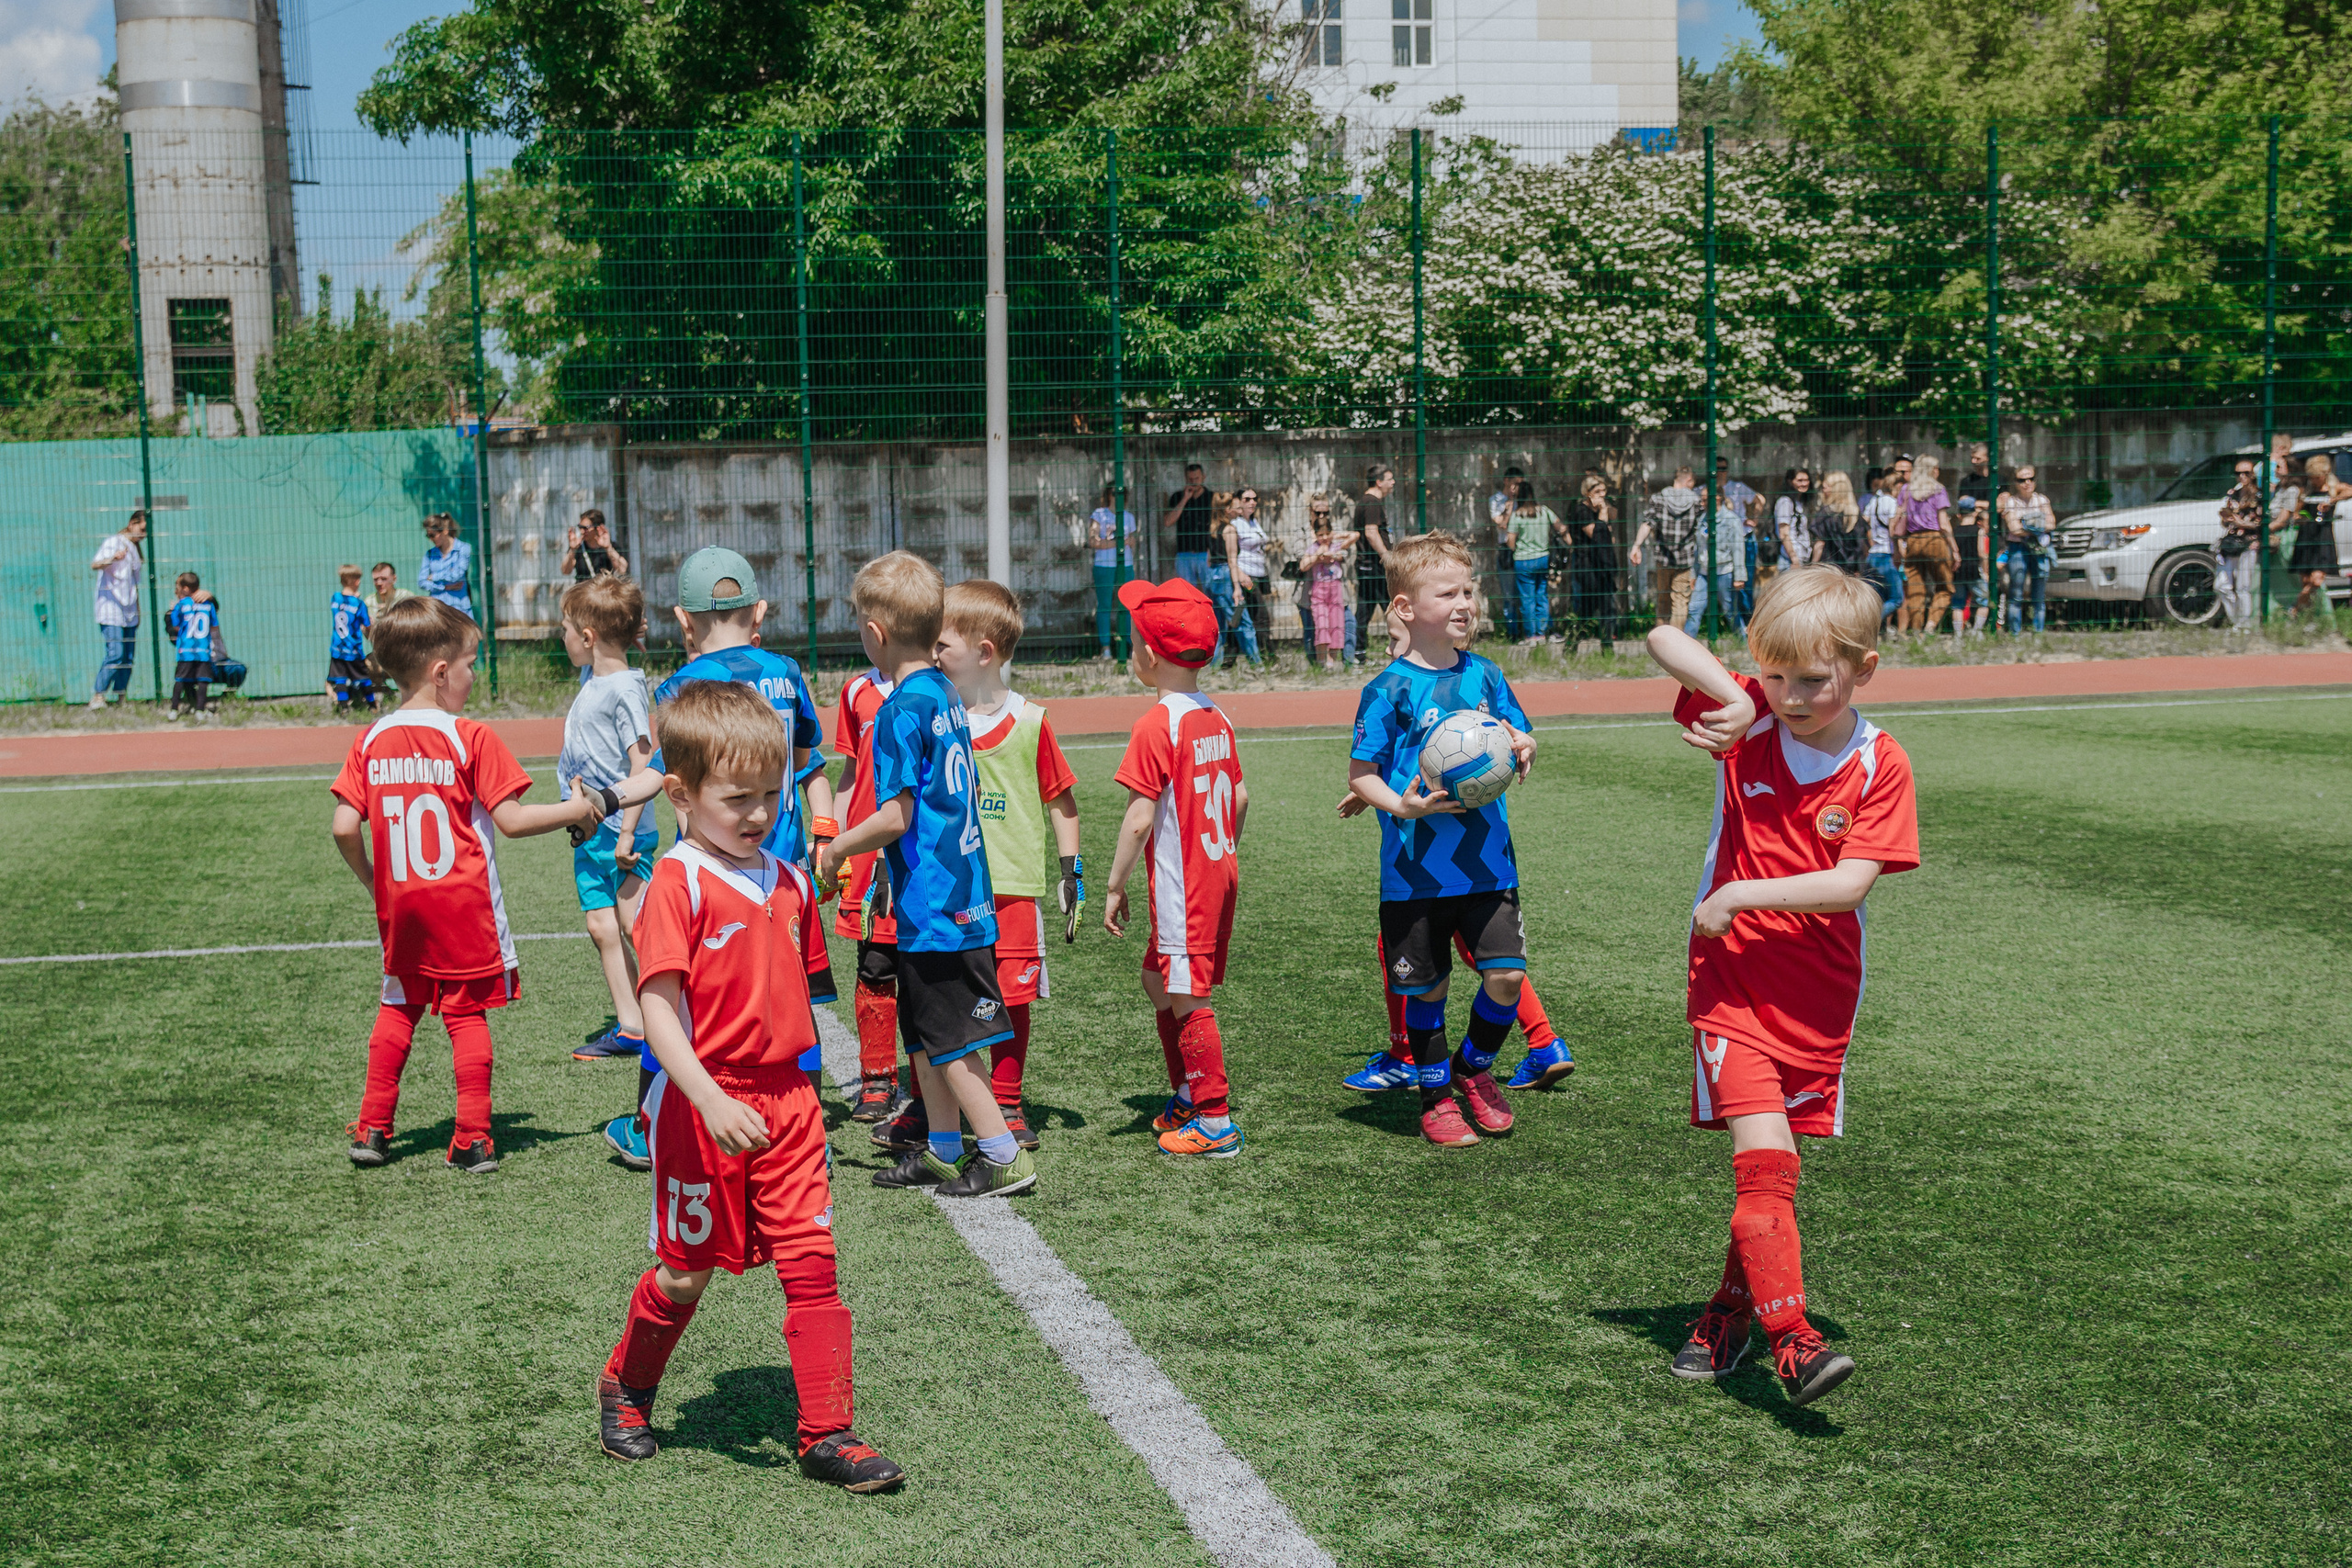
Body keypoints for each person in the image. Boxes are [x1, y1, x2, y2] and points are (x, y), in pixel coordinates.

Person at [595, 680, 902, 1494]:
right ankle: (626, 1383)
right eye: (738, 798)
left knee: (813, 1263)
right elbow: (658, 1013)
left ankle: (827, 1433)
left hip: (790, 1106)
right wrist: (707, 1096)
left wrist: (809, 1103)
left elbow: (796, 997)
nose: (760, 812)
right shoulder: (680, 881)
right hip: (704, 1104)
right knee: (685, 1274)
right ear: (681, 795)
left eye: (771, 793)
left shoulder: (790, 880)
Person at [1645, 567, 1920, 1409]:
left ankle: (1727, 1311)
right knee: (1763, 1169)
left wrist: (1739, 892)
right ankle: (1795, 1342)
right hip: (1730, 981)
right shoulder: (1753, 718)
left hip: (1819, 995)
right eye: (1774, 675)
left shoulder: (1880, 762)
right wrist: (1731, 695)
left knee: (1776, 1170)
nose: (1791, 697)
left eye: (1812, 680)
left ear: (1864, 670)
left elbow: (1849, 885)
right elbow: (1661, 638)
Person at [333, 596, 598, 1174]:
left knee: (397, 1007)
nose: (474, 676)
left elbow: (343, 826)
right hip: (463, 905)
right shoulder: (469, 736)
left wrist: (376, 883)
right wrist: (576, 809)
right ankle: (473, 1139)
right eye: (470, 664)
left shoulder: (370, 739)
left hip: (403, 907)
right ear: (440, 672)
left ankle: (373, 1128)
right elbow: (513, 821)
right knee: (465, 1015)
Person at [590, 549, 837, 1166]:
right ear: (759, 612)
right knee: (793, 1000)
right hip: (783, 874)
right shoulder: (786, 671)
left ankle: (651, 1125)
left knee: (676, 1000)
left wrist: (606, 800)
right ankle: (807, 1128)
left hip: (711, 874)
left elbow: (660, 775)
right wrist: (824, 833)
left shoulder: (681, 686)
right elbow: (809, 764)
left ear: (683, 619)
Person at [817, 552, 1036, 1198]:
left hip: (940, 906)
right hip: (947, 895)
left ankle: (1002, 1153)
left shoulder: (898, 709)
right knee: (923, 1035)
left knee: (953, 1040)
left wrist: (837, 848)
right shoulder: (942, 689)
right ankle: (943, 1149)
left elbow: (897, 815)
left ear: (876, 633)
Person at [1344, 533, 1537, 1147]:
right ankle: (1435, 1099)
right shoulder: (1388, 689)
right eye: (1448, 593)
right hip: (1415, 869)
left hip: (1488, 863)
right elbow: (1361, 774)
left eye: (1468, 591)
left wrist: (1524, 745)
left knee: (1506, 977)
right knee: (1427, 989)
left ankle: (1473, 1068)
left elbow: (1519, 731)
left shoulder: (1486, 675)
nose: (1465, 603)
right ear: (1404, 607)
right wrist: (1402, 804)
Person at [1101, 577, 1250, 1158]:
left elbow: (1139, 819)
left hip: (1185, 888)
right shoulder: (1217, 715)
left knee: (1187, 996)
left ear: (1150, 654)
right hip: (1216, 874)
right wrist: (1222, 852)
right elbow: (1240, 799)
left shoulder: (1156, 723)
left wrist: (1114, 885)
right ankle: (1189, 1090)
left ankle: (1214, 1119)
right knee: (1156, 979)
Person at [935, 580, 1083, 1152]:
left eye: (942, 643)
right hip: (952, 889)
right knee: (950, 994)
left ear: (984, 652)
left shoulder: (1031, 720)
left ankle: (1008, 1098)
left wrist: (1071, 873)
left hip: (1014, 889)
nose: (932, 653)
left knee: (1013, 999)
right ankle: (939, 1100)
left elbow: (1060, 800)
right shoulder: (936, 714)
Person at [556, 574, 660, 1165]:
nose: (564, 638)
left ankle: (672, 1012)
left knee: (634, 925)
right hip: (587, 830)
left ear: (590, 636)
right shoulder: (593, 678)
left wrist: (625, 831)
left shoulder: (624, 688)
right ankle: (631, 1024)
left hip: (623, 833)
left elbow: (642, 764)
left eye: (568, 630)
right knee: (602, 927)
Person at [832, 655, 909, 1128]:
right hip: (867, 861)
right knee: (876, 965)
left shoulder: (939, 688)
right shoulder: (856, 691)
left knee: (925, 974)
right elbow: (850, 773)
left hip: (922, 862)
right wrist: (834, 837)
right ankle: (877, 1078)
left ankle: (933, 1084)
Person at [1628, 465, 1702, 629]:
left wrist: (1637, 545)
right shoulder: (1696, 501)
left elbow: (1648, 523)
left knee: (1663, 600)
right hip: (1685, 560)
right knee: (1680, 602)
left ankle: (1660, 639)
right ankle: (1676, 639)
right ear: (1689, 480)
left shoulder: (1659, 498)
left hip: (1663, 558)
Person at [88, 510, 147, 710]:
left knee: (128, 657)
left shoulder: (134, 550)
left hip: (129, 611)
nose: (143, 534)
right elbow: (95, 564)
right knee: (116, 653)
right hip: (111, 608)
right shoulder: (113, 542)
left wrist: (137, 610)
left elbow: (134, 585)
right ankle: (98, 695)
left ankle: (121, 697)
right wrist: (113, 558)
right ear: (132, 524)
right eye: (142, 529)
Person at [2279, 453, 2346, 619]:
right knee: (2306, 582)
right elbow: (2296, 513)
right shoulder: (2306, 491)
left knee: (2317, 580)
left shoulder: (2333, 489)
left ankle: (2294, 609)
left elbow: (2349, 491)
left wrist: (2332, 500)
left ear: (2325, 474)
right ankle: (2309, 618)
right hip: (2306, 537)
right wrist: (2300, 517)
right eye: (2312, 477)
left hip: (2323, 538)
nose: (2314, 480)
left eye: (2317, 477)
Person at [1896, 457, 1955, 632]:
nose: (1938, 471)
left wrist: (1899, 543)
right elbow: (1944, 524)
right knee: (1945, 586)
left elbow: (1898, 517)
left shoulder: (1906, 489)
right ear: (1930, 470)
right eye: (1936, 468)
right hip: (1934, 539)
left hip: (1913, 541)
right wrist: (1955, 549)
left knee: (1916, 588)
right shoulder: (1938, 489)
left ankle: (1916, 629)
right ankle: (1931, 625)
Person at [1997, 465, 2057, 634]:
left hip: (2039, 549)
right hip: (2018, 548)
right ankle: (2015, 633)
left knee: (2039, 594)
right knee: (2016, 592)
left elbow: (2052, 524)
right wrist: (2038, 525)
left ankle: (2038, 632)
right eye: (2022, 480)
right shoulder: (2011, 502)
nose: (2027, 483)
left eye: (2031, 479)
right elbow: (2013, 529)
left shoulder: (2042, 500)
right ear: (2015, 483)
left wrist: (2025, 524)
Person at [1683, 485, 1748, 638]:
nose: (1702, 503)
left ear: (1717, 498)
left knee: (1729, 610)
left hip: (1724, 572)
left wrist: (1739, 576)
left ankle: (1744, 644)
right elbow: (1698, 549)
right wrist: (1694, 573)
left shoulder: (1731, 520)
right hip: (1704, 573)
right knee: (1694, 609)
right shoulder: (1702, 519)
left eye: (1705, 500)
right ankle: (1686, 645)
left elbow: (1738, 549)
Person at [1220, 485, 1273, 669]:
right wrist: (1241, 574)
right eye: (1247, 499)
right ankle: (1268, 657)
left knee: (1244, 616)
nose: (1252, 502)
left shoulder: (1253, 522)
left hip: (1260, 574)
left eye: (1254, 499)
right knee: (1260, 616)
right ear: (1238, 502)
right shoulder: (1236, 525)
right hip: (1247, 576)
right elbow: (1231, 555)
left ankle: (1229, 660)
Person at [1564, 474, 1619, 649]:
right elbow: (1597, 536)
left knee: (1608, 609)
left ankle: (1607, 648)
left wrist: (1605, 509)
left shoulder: (1600, 509)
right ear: (1588, 493)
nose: (1602, 495)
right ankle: (1571, 645)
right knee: (1586, 611)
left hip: (1602, 566)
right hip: (1587, 566)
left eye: (1604, 490)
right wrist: (1603, 513)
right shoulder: (1581, 510)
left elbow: (1612, 523)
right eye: (1598, 491)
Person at [1088, 484, 1141, 659]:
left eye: (1121, 493)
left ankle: (1128, 646)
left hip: (1125, 564)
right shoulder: (1099, 514)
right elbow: (1093, 541)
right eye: (1113, 492)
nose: (1117, 496)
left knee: (1127, 606)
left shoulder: (1129, 517)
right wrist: (1120, 542)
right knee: (1104, 606)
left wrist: (1110, 543)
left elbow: (1133, 542)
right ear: (1107, 495)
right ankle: (1106, 648)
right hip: (1104, 565)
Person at [1305, 504, 1357, 673]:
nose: (1325, 537)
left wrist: (1335, 541)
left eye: (1327, 534)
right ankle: (1321, 661)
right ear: (1315, 535)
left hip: (1335, 589)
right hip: (1319, 590)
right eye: (1321, 535)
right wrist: (1318, 556)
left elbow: (1355, 535)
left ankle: (1332, 662)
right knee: (1322, 624)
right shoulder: (1313, 547)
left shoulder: (1336, 546)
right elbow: (1303, 565)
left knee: (1336, 624)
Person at [1353, 466, 1397, 664]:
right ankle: (1403, 651)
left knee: (1364, 610)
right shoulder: (1371, 503)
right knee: (1394, 608)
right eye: (1390, 479)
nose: (1393, 482)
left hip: (1368, 566)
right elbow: (1371, 532)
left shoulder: (1368, 501)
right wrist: (1386, 556)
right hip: (1375, 567)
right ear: (1379, 482)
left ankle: (1358, 653)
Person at [1505, 484, 1559, 645]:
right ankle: (1542, 633)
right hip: (1543, 558)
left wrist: (1518, 549)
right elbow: (1560, 526)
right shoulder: (1545, 511)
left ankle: (1531, 635)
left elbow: (1510, 541)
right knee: (1541, 595)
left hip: (1524, 560)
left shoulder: (1517, 516)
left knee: (1527, 598)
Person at [2216, 457, 2266, 626]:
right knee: (2221, 585)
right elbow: (2226, 522)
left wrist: (2241, 523)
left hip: (2249, 543)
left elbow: (2261, 524)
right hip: (2231, 543)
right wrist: (2227, 519)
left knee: (2244, 586)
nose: (2242, 477)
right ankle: (2236, 620)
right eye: (2238, 473)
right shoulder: (2233, 493)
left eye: (2246, 473)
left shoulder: (2259, 495)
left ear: (2253, 474)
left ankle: (2245, 624)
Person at [163, 572, 219, 721]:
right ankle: (199, 710)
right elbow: (214, 626)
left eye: (178, 586)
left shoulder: (182, 604)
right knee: (203, 680)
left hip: (186, 649)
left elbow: (175, 625)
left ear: (185, 589)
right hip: (203, 649)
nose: (176, 590)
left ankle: (174, 710)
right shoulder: (208, 605)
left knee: (180, 679)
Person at [325, 564, 377, 716]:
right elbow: (367, 624)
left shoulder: (335, 598)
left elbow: (343, 607)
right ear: (356, 581)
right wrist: (370, 624)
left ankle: (344, 708)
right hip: (353, 649)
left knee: (340, 679)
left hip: (337, 649)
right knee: (363, 678)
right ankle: (373, 706)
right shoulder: (359, 605)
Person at [364, 561, 417, 702]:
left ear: (394, 579)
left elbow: (415, 626)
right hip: (382, 654)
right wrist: (368, 628)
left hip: (406, 652)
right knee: (365, 666)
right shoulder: (369, 602)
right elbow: (368, 636)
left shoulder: (406, 597)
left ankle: (413, 698)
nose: (379, 583)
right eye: (376, 579)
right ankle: (387, 696)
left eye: (384, 579)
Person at [1162, 464, 1216, 597]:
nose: (1194, 482)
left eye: (1197, 478)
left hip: (1205, 554)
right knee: (1186, 595)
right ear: (1186, 479)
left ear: (1203, 477)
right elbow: (1168, 522)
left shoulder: (1212, 498)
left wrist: (1212, 552)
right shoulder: (1177, 497)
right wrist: (1185, 498)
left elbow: (1217, 526)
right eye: (1190, 479)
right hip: (1184, 554)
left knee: (1210, 593)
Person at [1859, 468, 1904, 626]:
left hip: (1872, 555)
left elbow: (1864, 521)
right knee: (1897, 598)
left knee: (1876, 597)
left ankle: (1869, 626)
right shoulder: (1892, 502)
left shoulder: (1874, 501)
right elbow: (1893, 530)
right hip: (1886, 554)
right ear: (1895, 486)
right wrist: (1898, 551)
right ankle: (1868, 624)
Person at [1947, 495, 1992, 637]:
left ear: (1959, 515)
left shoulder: (1954, 532)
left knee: (1958, 604)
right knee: (1983, 602)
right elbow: (1982, 553)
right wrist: (1985, 571)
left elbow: (1950, 554)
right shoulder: (1978, 531)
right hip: (1974, 570)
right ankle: (1977, 631)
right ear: (1974, 513)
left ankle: (1958, 635)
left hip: (1959, 571)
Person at [1812, 471, 1865, 572]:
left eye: (1826, 487)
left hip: (1828, 570)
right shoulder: (1855, 514)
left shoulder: (1825, 514)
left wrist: (1812, 566)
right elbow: (1862, 545)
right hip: (1850, 571)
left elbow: (1820, 544)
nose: (1823, 491)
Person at [563, 509, 629, 582]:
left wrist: (608, 548)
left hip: (605, 588)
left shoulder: (612, 547)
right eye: (580, 527)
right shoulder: (578, 548)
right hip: (584, 589)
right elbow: (565, 571)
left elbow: (622, 570)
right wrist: (572, 550)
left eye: (586, 528)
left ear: (598, 528)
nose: (582, 531)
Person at [1773, 468, 1815, 574]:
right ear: (1790, 481)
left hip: (1802, 559)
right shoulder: (1785, 502)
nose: (1804, 484)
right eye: (1800, 480)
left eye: (1806, 480)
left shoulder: (1800, 502)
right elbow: (1783, 534)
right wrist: (1794, 559)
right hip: (1790, 561)